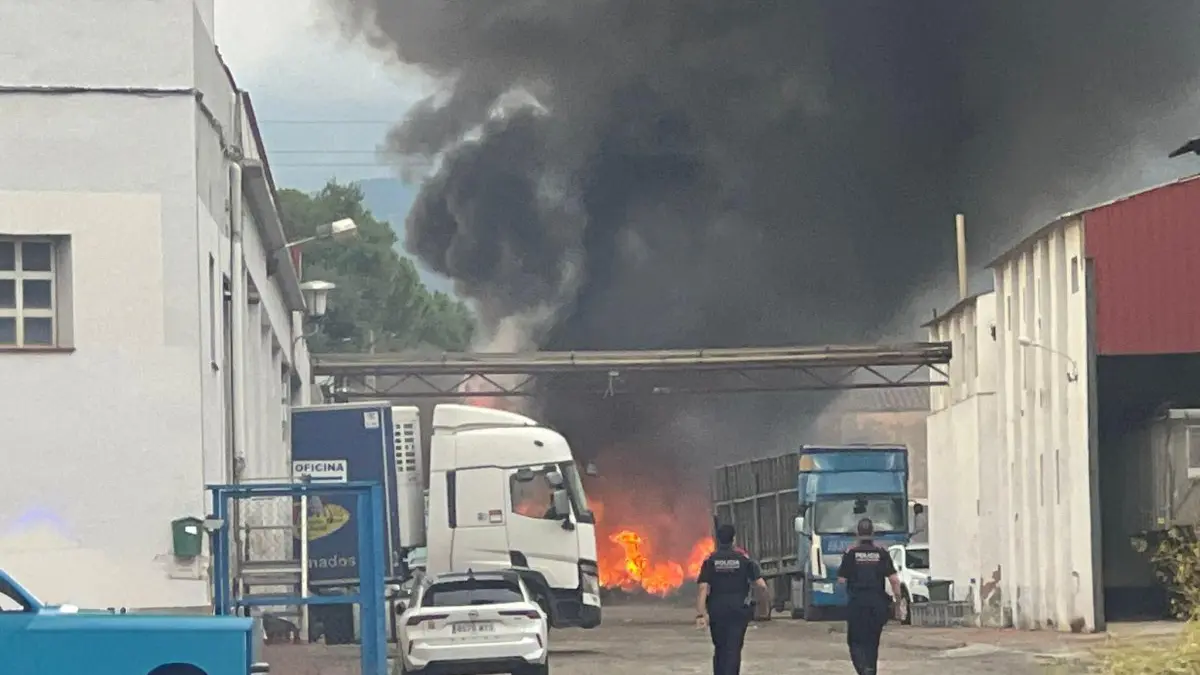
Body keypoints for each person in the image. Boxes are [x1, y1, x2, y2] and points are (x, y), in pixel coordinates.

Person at [695, 524, 769, 675]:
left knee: (720, 648)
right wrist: (763, 607)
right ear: (733, 540)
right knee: (734, 649)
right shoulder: (744, 560)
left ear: (718, 540)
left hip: (717, 611)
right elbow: (762, 586)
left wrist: (701, 614)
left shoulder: (710, 561)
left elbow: (703, 588)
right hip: (738, 611)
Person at [837, 517, 902, 675]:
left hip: (857, 604)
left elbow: (841, 580)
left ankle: (863, 670)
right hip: (877, 605)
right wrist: (898, 604)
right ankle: (870, 670)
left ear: (857, 534)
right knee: (872, 643)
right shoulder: (881, 553)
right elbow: (894, 581)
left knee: (855, 642)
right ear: (873, 533)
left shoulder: (851, 553)